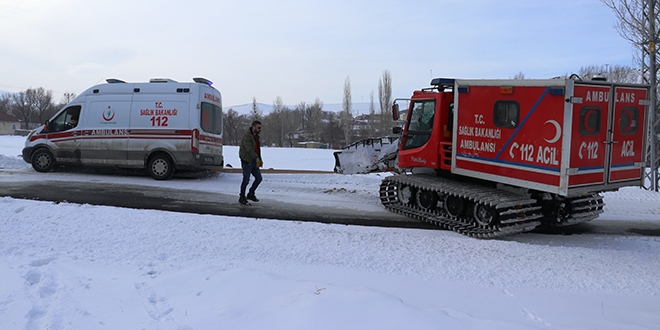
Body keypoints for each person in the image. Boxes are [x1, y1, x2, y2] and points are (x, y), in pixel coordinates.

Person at [238, 120, 263, 205]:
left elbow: (257, 149)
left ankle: (251, 194)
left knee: (259, 178)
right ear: (253, 127)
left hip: (254, 160)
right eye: (258, 128)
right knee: (246, 179)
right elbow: (249, 149)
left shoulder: (256, 137)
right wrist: (256, 158)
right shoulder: (247, 136)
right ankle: (242, 197)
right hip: (247, 161)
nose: (260, 129)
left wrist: (259, 158)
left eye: (260, 128)